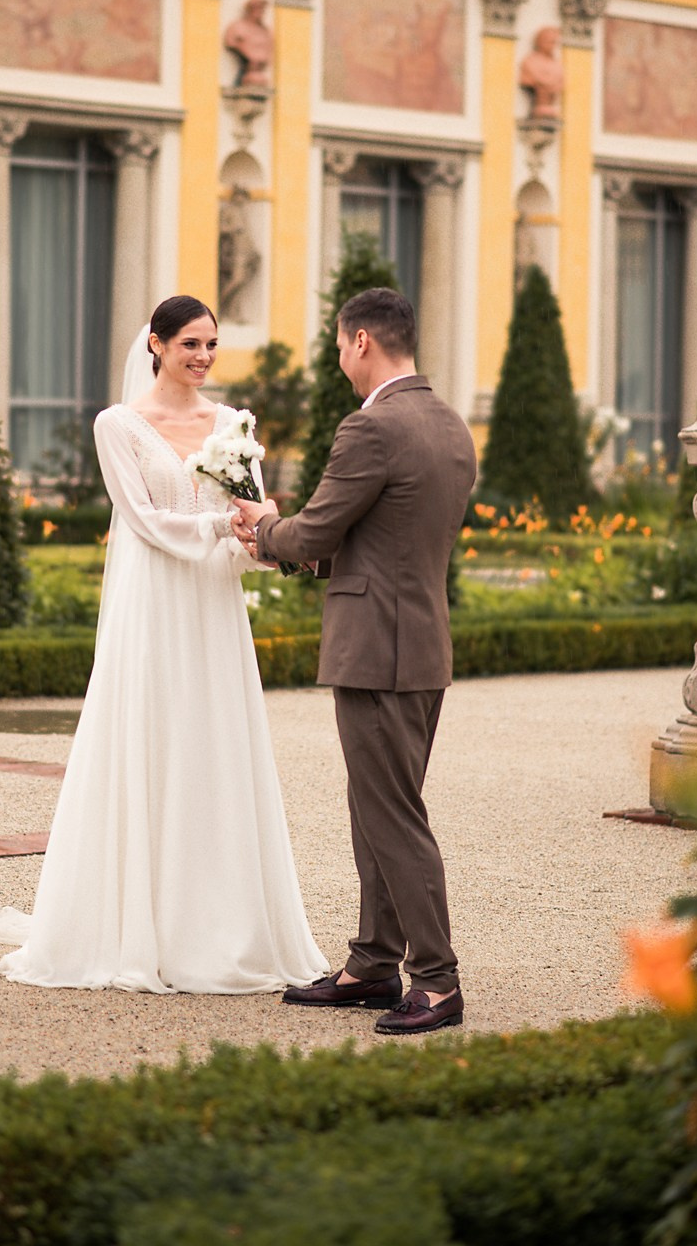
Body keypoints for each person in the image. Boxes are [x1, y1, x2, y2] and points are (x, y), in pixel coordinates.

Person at [0, 295, 325, 992]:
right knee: (150, 742)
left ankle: (221, 925)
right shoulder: (118, 425)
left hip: (212, 610)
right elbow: (146, 522)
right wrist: (226, 529)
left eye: (211, 346)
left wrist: (269, 534)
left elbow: (250, 524)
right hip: (152, 606)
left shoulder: (233, 425)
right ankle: (137, 924)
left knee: (214, 750)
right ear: (156, 345)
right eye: (190, 344)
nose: (202, 357)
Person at [232, 288, 476, 1033]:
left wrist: (265, 529)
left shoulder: (372, 429)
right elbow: (384, 532)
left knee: (392, 816)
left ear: (361, 340)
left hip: (377, 650)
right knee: (376, 808)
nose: (340, 359)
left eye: (340, 346)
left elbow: (315, 534)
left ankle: (434, 981)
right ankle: (373, 962)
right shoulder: (450, 424)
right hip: (421, 645)